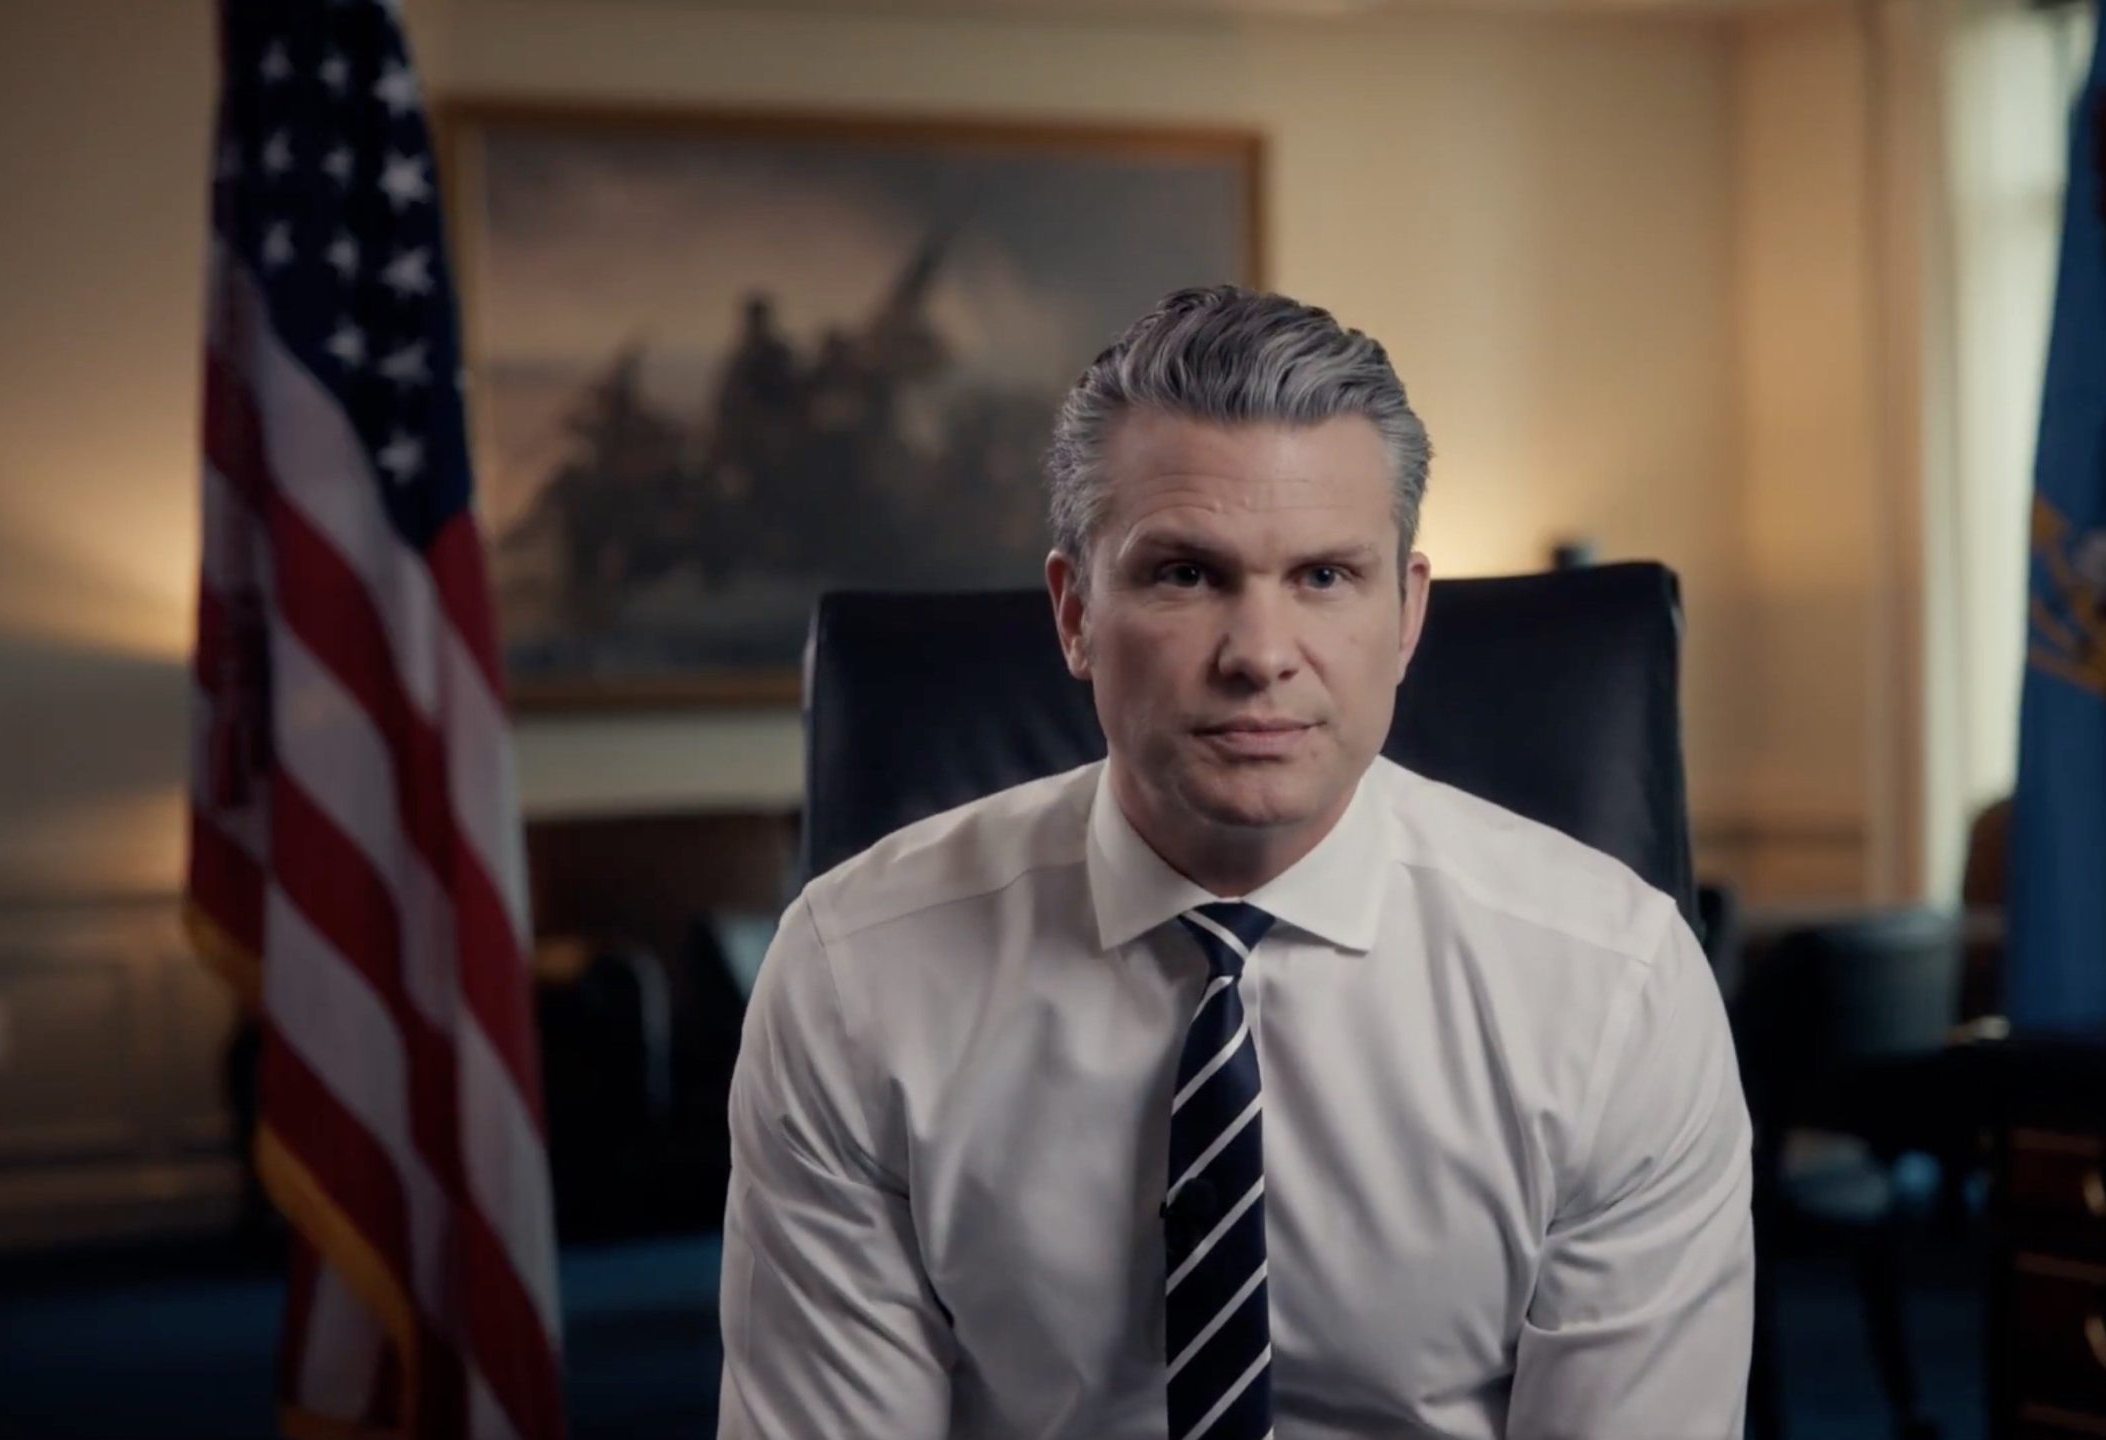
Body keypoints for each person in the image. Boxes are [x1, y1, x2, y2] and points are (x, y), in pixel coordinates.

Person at [717, 286, 1753, 1440]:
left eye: (1325, 577)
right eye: (1184, 574)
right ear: (1074, 614)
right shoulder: (854, 974)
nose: (1260, 655)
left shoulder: (1615, 988)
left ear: (1407, 615)